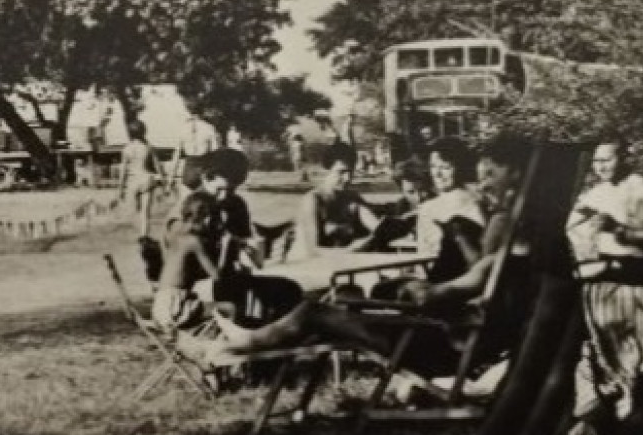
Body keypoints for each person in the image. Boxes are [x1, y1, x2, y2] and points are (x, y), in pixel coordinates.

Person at [179, 137, 514, 375]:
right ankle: (240, 347)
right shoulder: (502, 262)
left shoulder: (489, 266)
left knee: (321, 310)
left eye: (489, 180)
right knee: (331, 304)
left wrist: (408, 285)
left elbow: (431, 295)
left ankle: (228, 349)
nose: (481, 190)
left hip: (433, 339)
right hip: (435, 332)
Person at [551, 138, 643, 435]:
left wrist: (613, 228)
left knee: (642, 369)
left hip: (638, 285)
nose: (601, 166)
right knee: (596, 367)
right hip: (602, 283)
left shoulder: (639, 186)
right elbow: (573, 232)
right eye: (597, 160)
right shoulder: (599, 190)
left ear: (625, 156)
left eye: (608, 159)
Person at [288, 142, 382, 260]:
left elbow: (378, 228)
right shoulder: (313, 200)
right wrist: (350, 250)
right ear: (326, 171)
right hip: (303, 268)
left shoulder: (351, 198)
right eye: (341, 172)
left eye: (350, 172)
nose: (347, 178)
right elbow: (311, 251)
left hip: (339, 265)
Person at [151, 192, 226, 331]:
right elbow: (217, 277)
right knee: (229, 309)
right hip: (174, 307)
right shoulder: (194, 241)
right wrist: (226, 246)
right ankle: (225, 345)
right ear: (207, 218)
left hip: (161, 305)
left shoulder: (175, 233)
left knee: (205, 302)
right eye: (216, 220)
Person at [119, 119, 163, 240]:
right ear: (144, 131)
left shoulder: (127, 149)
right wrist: (163, 181)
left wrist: (120, 189)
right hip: (147, 180)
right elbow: (158, 166)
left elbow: (123, 171)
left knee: (135, 211)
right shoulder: (149, 147)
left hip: (133, 182)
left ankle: (141, 233)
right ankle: (144, 236)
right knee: (145, 212)